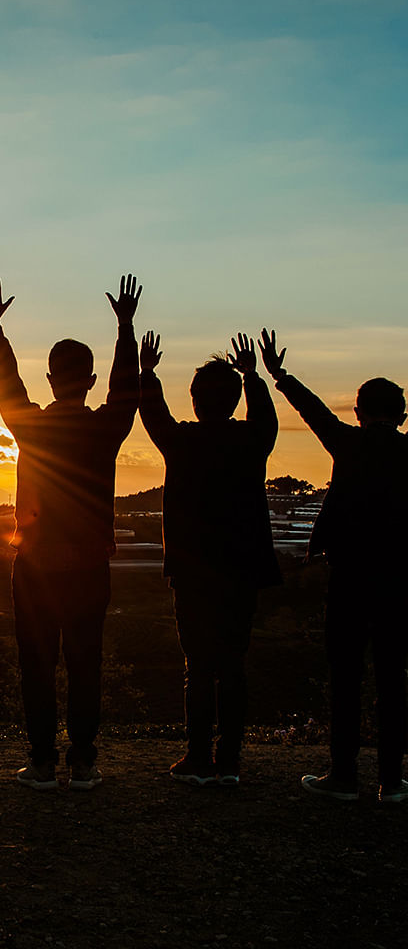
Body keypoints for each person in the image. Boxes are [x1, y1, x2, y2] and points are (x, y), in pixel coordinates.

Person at [0, 271, 140, 791]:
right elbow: (127, 391)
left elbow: (8, 386)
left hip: (35, 565)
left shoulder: (31, 425)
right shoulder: (105, 427)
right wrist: (125, 329)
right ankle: (85, 762)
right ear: (89, 379)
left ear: (50, 379)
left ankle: (44, 762)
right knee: (85, 663)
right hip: (90, 565)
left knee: (38, 665)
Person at [260, 329, 408, 803]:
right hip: (400, 579)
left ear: (359, 412)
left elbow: (313, 410)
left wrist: (280, 375)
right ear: (403, 415)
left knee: (344, 674)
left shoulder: (348, 442)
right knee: (394, 676)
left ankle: (343, 774)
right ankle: (391, 779)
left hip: (349, 575)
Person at [139, 331, 280, 786]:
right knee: (233, 664)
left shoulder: (182, 442)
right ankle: (230, 761)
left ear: (195, 400)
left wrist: (147, 372)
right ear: (235, 400)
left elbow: (152, 413)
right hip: (241, 570)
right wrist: (254, 377)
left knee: (197, 665)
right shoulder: (252, 441)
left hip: (193, 571)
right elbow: (266, 419)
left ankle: (197, 758)